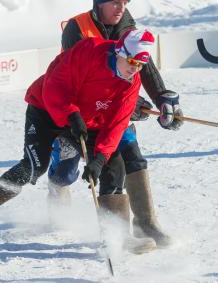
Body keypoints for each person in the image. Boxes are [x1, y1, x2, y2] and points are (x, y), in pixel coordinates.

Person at [0, 29, 158, 254]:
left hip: (88, 121)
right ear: (119, 52)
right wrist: (71, 114)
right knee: (34, 166)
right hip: (47, 106)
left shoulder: (131, 82)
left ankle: (117, 235)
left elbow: (116, 124)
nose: (134, 68)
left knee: (113, 165)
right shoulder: (90, 51)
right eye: (131, 61)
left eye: (140, 65)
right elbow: (55, 84)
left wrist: (99, 158)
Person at [47, 0, 182, 248]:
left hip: (113, 112)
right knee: (67, 171)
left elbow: (143, 63)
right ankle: (57, 184)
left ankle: (143, 225)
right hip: (80, 113)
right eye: (115, 2)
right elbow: (78, 78)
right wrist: (130, 103)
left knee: (132, 157)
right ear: (99, 3)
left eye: (125, 2)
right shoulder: (77, 28)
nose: (121, 7)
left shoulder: (126, 23)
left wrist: (161, 96)